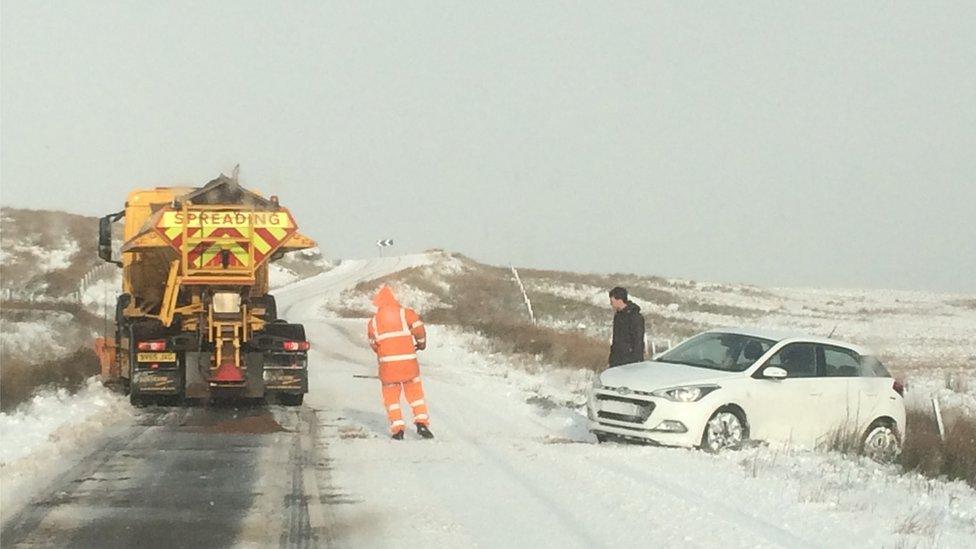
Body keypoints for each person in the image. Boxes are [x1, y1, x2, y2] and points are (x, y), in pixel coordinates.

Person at [367, 285, 434, 440]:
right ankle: (421, 423)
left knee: (391, 400)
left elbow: (374, 344)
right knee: (416, 396)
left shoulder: (373, 322)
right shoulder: (406, 314)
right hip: (409, 366)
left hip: (388, 368)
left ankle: (398, 429)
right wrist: (421, 344)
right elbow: (419, 329)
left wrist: (385, 353)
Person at [607, 286, 645, 367]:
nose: (611, 304)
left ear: (619, 300)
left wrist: (636, 362)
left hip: (629, 361)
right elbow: (616, 339)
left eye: (612, 301)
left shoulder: (635, 317)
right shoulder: (618, 316)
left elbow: (638, 341)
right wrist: (611, 359)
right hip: (616, 361)